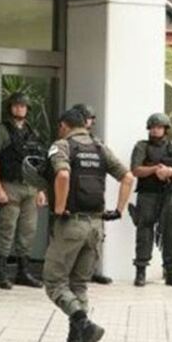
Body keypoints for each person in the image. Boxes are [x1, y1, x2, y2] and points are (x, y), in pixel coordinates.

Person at [43, 109, 134, 342]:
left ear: (64, 125)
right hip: (96, 226)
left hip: (71, 225)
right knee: (79, 284)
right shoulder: (99, 148)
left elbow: (63, 174)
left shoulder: (62, 146)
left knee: (54, 283)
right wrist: (118, 210)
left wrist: (59, 208)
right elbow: (128, 177)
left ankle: (85, 326)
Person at [0, 92, 48, 290]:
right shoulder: (1, 131)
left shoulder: (32, 132)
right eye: (16, 105)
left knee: (28, 231)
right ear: (10, 107)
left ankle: (23, 272)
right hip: (9, 185)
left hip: (30, 187)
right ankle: (1, 272)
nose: (20, 108)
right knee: (7, 229)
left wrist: (40, 189)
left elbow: (38, 163)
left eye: (23, 106)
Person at [130, 113, 172, 288]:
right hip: (148, 193)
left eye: (159, 127)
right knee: (144, 230)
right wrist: (155, 169)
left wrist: (170, 172)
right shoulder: (142, 147)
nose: (155, 130)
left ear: (165, 129)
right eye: (153, 127)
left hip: (171, 194)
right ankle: (140, 271)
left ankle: (171, 272)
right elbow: (135, 170)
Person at [70, 103, 113, 286]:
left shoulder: (97, 142)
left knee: (96, 236)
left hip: (93, 193)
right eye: (88, 118)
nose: (91, 122)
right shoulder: (68, 142)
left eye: (92, 118)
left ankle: (91, 270)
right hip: (74, 195)